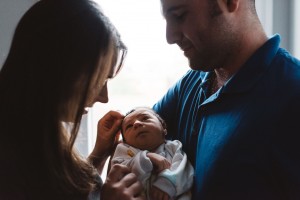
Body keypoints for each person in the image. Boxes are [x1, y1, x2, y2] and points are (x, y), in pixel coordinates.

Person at [153, 0, 300, 199]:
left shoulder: (292, 96)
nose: (169, 36)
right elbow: (131, 139)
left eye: (179, 16)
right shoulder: (191, 83)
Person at [0, 0, 145, 199]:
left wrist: (99, 155)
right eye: (98, 80)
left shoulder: (38, 138)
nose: (104, 98)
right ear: (59, 72)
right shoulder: (9, 162)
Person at [111, 107, 194, 200]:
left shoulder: (174, 147)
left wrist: (166, 183)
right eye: (129, 126)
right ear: (124, 141)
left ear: (163, 127)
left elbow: (184, 169)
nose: (136, 124)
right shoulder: (124, 151)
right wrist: (146, 158)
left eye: (145, 118)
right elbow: (117, 173)